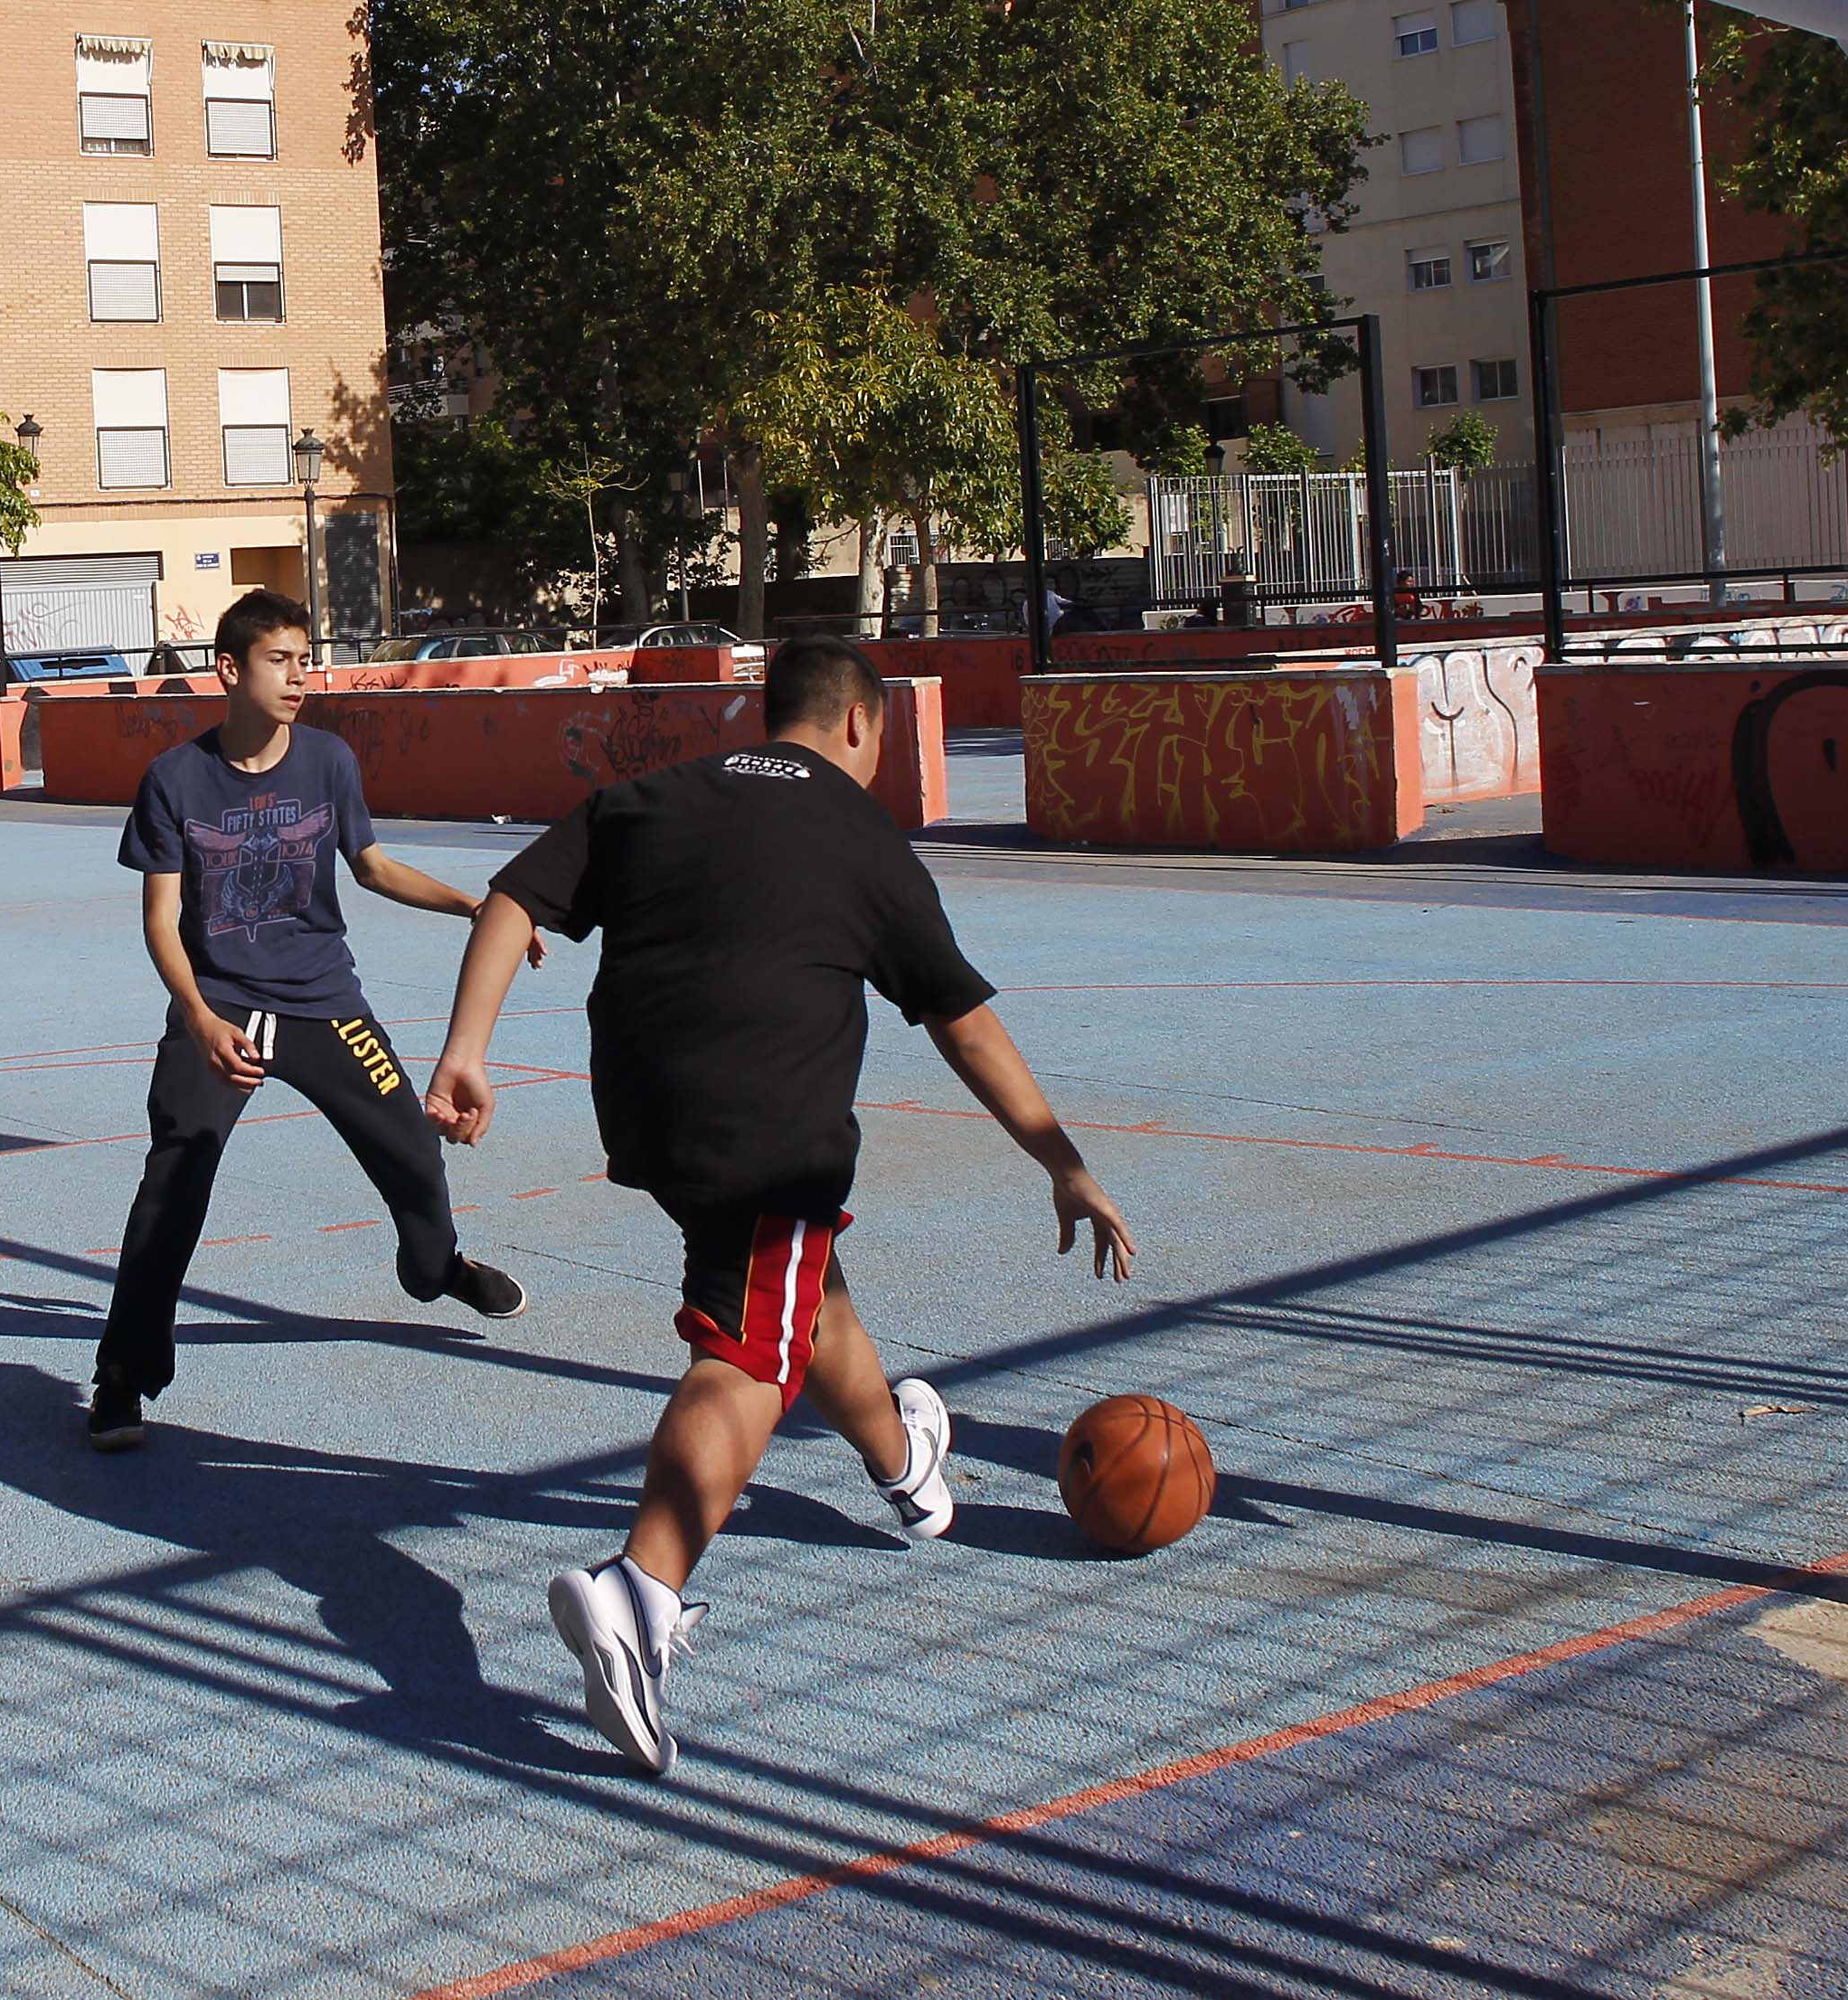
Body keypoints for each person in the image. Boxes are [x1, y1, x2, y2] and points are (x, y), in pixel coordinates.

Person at [428, 635, 1136, 1776]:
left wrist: (465, 1050)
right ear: (860, 725)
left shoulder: (652, 794)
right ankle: (639, 1591)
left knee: (800, 1286)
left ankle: (906, 1463)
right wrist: (1060, 1158)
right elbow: (961, 1022)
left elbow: (511, 899)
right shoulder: (865, 840)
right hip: (766, 1126)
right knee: (751, 1344)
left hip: (647, 1112)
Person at [84, 587, 532, 1453]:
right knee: (172, 1187)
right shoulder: (175, 780)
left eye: (305, 659)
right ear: (229, 669)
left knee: (413, 1148)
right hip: (221, 1008)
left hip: (326, 1000)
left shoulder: (328, 760)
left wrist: (473, 906)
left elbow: (371, 867)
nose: (301, 677)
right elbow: (157, 923)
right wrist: (202, 1020)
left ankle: (437, 1268)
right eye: (280, 661)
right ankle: (121, 1381)